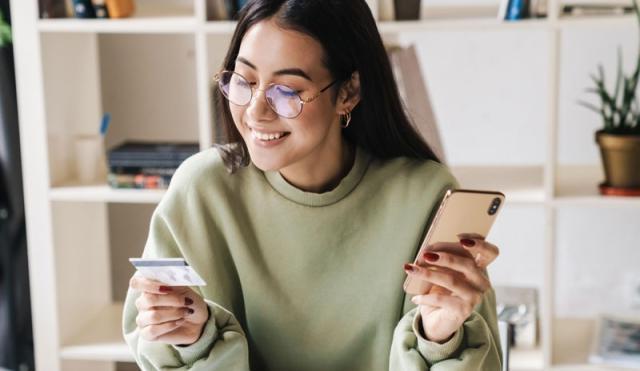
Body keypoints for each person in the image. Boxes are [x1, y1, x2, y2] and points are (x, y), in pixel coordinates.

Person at [122, 0, 503, 369]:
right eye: (244, 80)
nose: (256, 112)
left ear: (348, 92)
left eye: (286, 91)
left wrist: (439, 339)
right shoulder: (202, 191)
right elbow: (156, 349)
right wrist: (192, 337)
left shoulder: (424, 195)